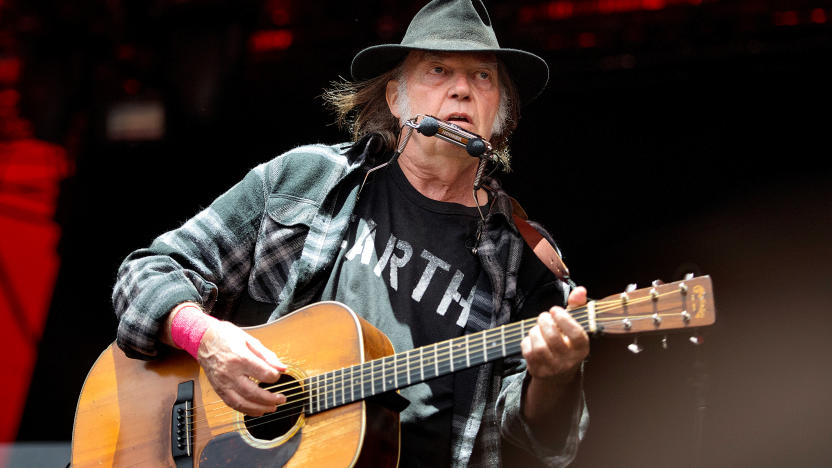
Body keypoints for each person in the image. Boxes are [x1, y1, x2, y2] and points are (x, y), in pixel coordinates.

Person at [112, 1, 590, 467]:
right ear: (394, 98)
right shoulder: (305, 180)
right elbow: (147, 274)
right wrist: (208, 340)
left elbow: (545, 444)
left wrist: (555, 379)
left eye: (483, 77)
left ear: (501, 112)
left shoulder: (526, 262)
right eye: (437, 70)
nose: (462, 89)